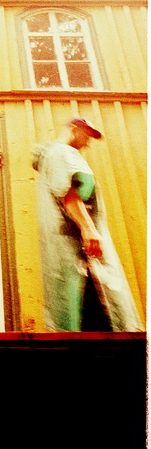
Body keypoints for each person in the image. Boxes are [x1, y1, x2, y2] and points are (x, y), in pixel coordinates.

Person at [32, 117, 143, 332]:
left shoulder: (50, 158)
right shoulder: (62, 152)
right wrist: (88, 229)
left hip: (67, 249)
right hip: (79, 249)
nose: (88, 142)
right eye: (87, 135)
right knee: (99, 306)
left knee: (79, 310)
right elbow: (68, 190)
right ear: (74, 129)